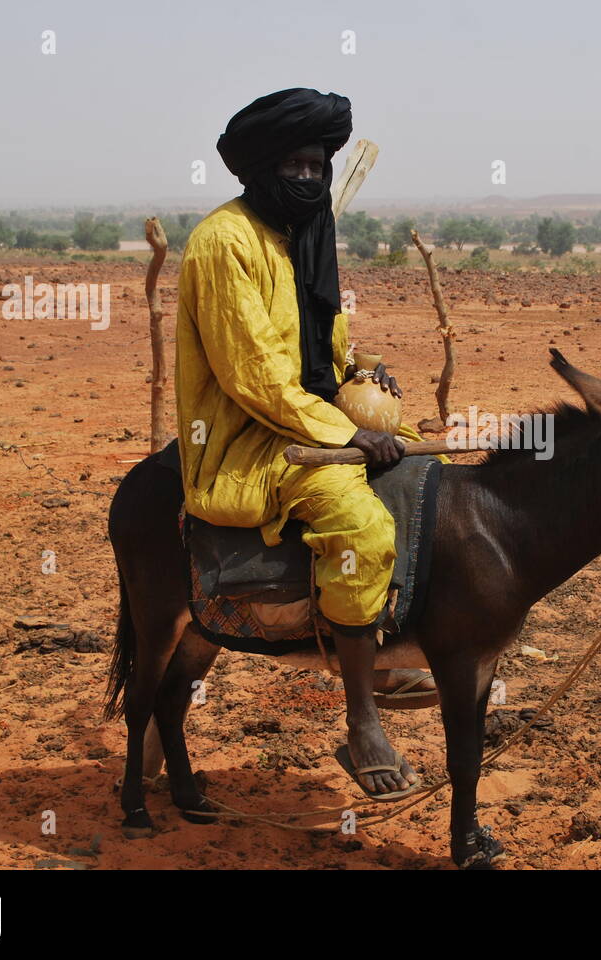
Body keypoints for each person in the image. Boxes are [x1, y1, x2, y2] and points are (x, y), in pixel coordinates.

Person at [175, 88, 430, 799]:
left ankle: (380, 643)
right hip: (249, 438)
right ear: (260, 169)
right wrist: (348, 431)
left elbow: (323, 344)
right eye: (295, 164)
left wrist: (360, 375)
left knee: (420, 472)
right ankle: (363, 719)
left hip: (313, 415)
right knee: (359, 520)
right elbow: (253, 375)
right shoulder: (223, 242)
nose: (311, 179)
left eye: (318, 165)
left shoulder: (306, 237)